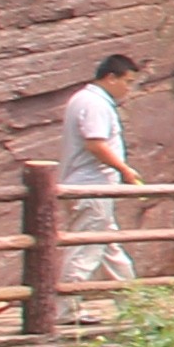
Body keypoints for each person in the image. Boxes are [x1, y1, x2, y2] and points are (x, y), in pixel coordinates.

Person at [61, 55, 140, 293]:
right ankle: (64, 308)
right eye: (127, 82)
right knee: (84, 252)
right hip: (92, 186)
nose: (129, 88)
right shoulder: (95, 103)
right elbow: (95, 144)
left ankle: (133, 302)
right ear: (111, 78)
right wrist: (124, 169)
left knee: (110, 248)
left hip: (90, 186)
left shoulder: (85, 99)